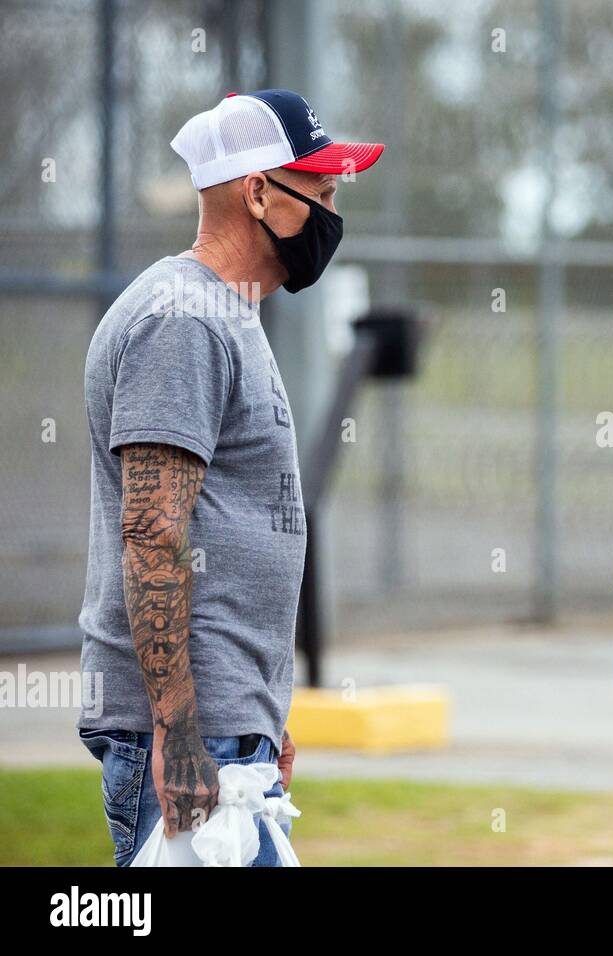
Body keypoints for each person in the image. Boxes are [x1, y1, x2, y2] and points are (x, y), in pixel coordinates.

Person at [77, 89, 384, 866]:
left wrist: (260, 719)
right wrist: (181, 735)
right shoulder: (182, 317)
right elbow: (153, 530)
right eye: (320, 193)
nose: (330, 215)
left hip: (226, 730)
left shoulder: (226, 311)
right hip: (190, 740)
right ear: (258, 193)